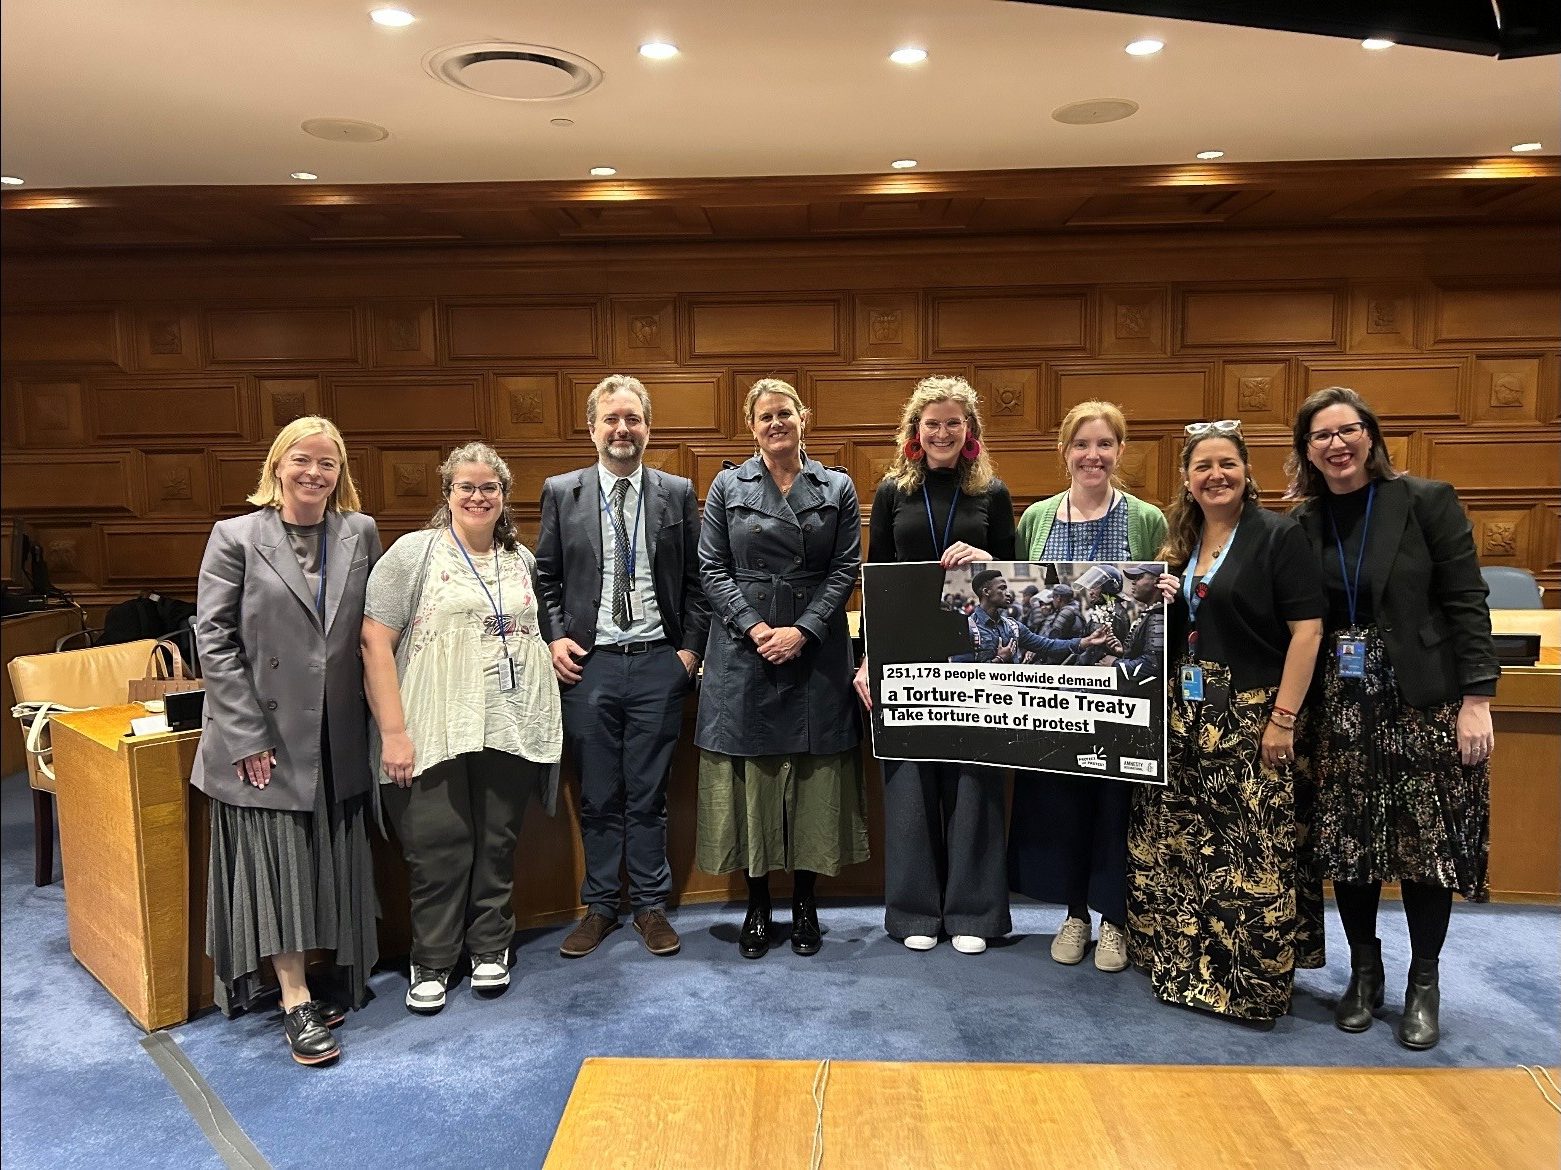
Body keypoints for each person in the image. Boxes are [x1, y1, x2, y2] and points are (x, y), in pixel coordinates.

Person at [1287, 386, 1497, 1050]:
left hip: (1421, 702)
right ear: (1306, 452)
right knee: (1351, 847)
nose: (1335, 444)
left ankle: (1423, 983)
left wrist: (1476, 700)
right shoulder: (1302, 523)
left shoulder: (1425, 501)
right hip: (1340, 710)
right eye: (1319, 436)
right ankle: (1364, 971)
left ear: (1371, 438)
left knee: (1422, 850)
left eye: (1346, 430)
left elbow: (1466, 600)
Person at [192, 416, 381, 1066]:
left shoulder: (359, 532)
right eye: (302, 460)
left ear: (340, 474)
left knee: (322, 863)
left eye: (327, 463)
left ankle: (322, 975)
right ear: (277, 466)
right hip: (263, 736)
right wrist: (246, 734)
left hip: (335, 734)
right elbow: (212, 640)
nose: (313, 473)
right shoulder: (236, 537)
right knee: (281, 872)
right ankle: (294, 999)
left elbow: (369, 633)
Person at [1127, 422, 1326, 1024]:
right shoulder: (1182, 542)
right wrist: (1162, 597)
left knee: (1250, 857)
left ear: (1246, 473)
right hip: (1188, 721)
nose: (1215, 475)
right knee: (1187, 850)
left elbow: (1308, 633)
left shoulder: (1278, 537)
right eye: (1202, 467)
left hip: (1253, 719)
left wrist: (1283, 720)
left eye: (1227, 464)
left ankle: (1249, 988)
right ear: (1187, 481)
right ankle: (1187, 971)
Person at [361, 442, 562, 1015]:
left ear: (504, 497)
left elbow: (532, 634)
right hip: (433, 724)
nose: (478, 496)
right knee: (437, 847)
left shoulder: (519, 558)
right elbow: (376, 641)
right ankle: (432, 960)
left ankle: (491, 947)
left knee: (497, 842)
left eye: (490, 487)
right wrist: (394, 732)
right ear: (447, 493)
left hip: (508, 723)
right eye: (466, 487)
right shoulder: (414, 554)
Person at [535, 375, 711, 960]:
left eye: (633, 419)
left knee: (649, 793)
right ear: (592, 428)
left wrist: (688, 650)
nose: (622, 429)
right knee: (598, 794)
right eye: (611, 419)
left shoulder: (676, 491)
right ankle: (602, 906)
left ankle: (651, 906)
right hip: (591, 667)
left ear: (648, 427)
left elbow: (695, 580)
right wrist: (556, 638)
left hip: (659, 662)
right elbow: (547, 578)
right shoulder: (563, 492)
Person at [696, 378, 866, 959]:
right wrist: (756, 627)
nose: (776, 423)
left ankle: (806, 905)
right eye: (765, 416)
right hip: (745, 651)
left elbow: (846, 570)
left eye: (785, 413)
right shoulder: (726, 485)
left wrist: (803, 631)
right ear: (752, 426)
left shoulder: (837, 486)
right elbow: (711, 567)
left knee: (813, 777)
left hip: (814, 650)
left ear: (804, 418)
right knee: (755, 780)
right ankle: (757, 904)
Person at [851, 376, 1017, 954]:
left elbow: (1017, 573)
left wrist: (988, 558)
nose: (942, 432)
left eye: (953, 422)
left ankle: (973, 911)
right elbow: (874, 581)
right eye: (932, 423)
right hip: (904, 650)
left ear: (969, 430)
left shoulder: (991, 492)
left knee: (975, 776)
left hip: (976, 647)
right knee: (909, 782)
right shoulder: (894, 491)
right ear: (914, 431)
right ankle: (915, 911)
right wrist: (868, 656)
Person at [1009, 400, 1168, 973]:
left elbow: (1157, 596)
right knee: (1064, 803)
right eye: (1082, 445)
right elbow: (1020, 595)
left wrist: (1165, 592)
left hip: (1123, 689)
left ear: (1120, 452)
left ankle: (1115, 920)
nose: (1092, 455)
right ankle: (1075, 913)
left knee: (1116, 804)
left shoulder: (1146, 518)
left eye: (1104, 445)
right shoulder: (1037, 518)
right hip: (1054, 690)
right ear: (1065, 452)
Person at [954, 569, 1108, 665]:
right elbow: (958, 674)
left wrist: (1086, 642)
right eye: (1002, 589)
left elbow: (1048, 646)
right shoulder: (966, 627)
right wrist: (998, 660)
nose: (1008, 593)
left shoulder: (1013, 626)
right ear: (986, 592)